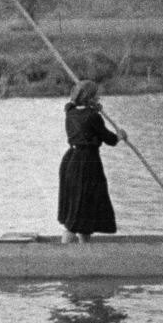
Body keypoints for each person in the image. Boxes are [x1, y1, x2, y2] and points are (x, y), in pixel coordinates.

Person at [58, 79, 126, 243]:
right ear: (90, 98)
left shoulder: (71, 113)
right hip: (87, 162)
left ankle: (84, 248)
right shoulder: (93, 117)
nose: (99, 99)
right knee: (84, 202)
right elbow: (109, 139)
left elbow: (84, 120)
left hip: (71, 160)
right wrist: (120, 136)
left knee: (80, 202)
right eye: (97, 97)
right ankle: (66, 248)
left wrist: (95, 109)